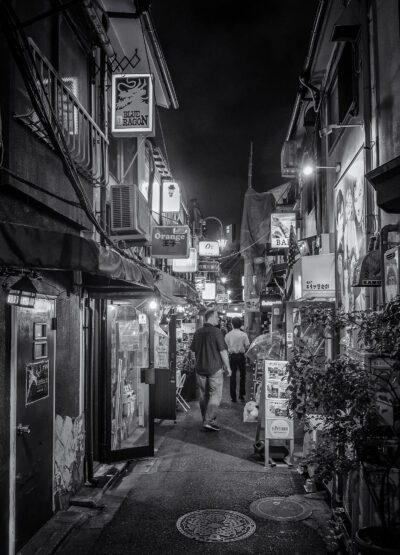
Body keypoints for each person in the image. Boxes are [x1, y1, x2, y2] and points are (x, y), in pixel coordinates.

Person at [190, 308, 231, 431]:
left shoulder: (198, 332)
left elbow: (192, 351)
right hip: (214, 368)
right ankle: (208, 420)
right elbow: (223, 351)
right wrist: (228, 367)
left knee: (203, 395)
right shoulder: (217, 332)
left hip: (200, 368)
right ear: (211, 317)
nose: (218, 319)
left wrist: (194, 363)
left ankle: (207, 420)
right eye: (217, 316)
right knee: (216, 394)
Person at [224, 317, 250, 403]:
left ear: (232, 324)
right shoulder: (244, 335)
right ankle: (241, 395)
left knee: (232, 376)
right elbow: (247, 346)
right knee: (243, 376)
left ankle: (233, 397)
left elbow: (225, 346)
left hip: (232, 357)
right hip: (241, 356)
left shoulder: (228, 335)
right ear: (240, 325)